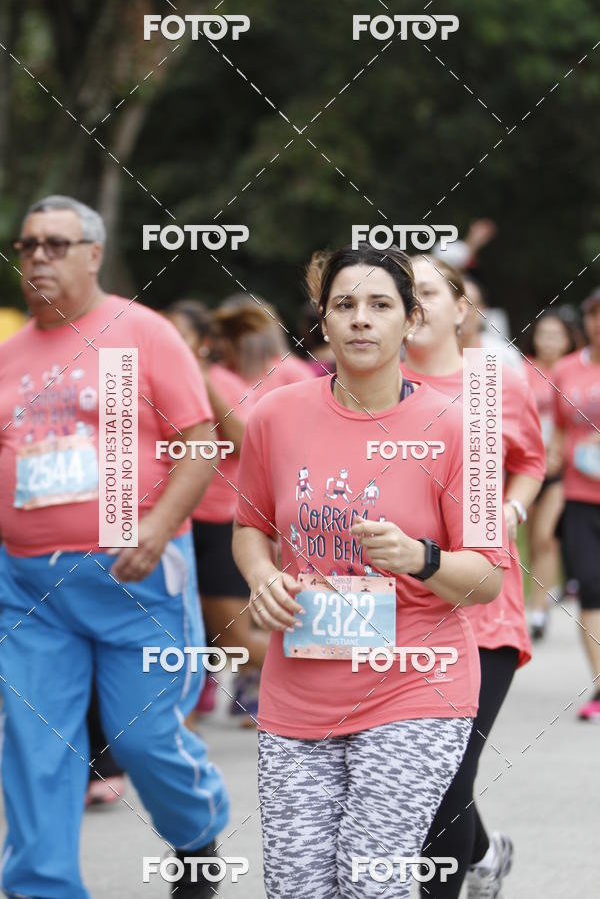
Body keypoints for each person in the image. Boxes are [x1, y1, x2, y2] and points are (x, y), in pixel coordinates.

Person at [232, 243, 509, 899]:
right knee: (297, 885)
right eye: (344, 305)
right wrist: (262, 578)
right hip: (299, 685)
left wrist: (421, 557)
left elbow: (489, 577)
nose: (361, 319)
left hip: (416, 684)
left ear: (411, 320)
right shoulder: (275, 415)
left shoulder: (458, 428)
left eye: (380, 305)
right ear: (322, 321)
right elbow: (249, 528)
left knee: (369, 877)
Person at [0, 195, 228, 898]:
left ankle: (197, 833)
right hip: (29, 588)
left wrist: (158, 529)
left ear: (93, 254)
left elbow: (200, 445)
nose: (38, 255)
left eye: (56, 244)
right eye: (28, 244)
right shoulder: (8, 356)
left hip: (137, 580)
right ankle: (42, 887)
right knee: (35, 749)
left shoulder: (143, 332)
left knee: (141, 740)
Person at [402, 255, 545, 899]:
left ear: (461, 307)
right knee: (427, 776)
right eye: (405, 292)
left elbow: (532, 460)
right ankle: (483, 855)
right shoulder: (371, 381)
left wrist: (512, 505)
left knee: (451, 770)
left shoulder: (495, 382)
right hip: (403, 608)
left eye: (430, 291)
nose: (417, 303)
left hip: (485, 609)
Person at [164, 299, 265, 724]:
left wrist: (201, 381)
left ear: (204, 344)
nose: (170, 342)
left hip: (220, 524)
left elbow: (246, 443)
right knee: (179, 637)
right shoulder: (149, 383)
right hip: (169, 525)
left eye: (180, 334)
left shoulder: (223, 381)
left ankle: (340, 662)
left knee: (234, 638)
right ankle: (181, 731)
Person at [549, 288, 600, 720]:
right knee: (589, 585)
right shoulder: (566, 370)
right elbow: (560, 430)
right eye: (596, 316)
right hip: (580, 495)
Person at [522, 310, 577, 640]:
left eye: (557, 335)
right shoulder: (522, 370)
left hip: (559, 468)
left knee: (546, 537)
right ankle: (533, 605)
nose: (549, 341)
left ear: (568, 339)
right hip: (526, 465)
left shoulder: (575, 372)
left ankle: (540, 610)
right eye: (543, 334)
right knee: (528, 539)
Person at [460, 274, 523, 372]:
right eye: (456, 304)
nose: (462, 312)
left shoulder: (505, 356)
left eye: (469, 304)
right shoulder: (432, 356)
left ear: (482, 310)